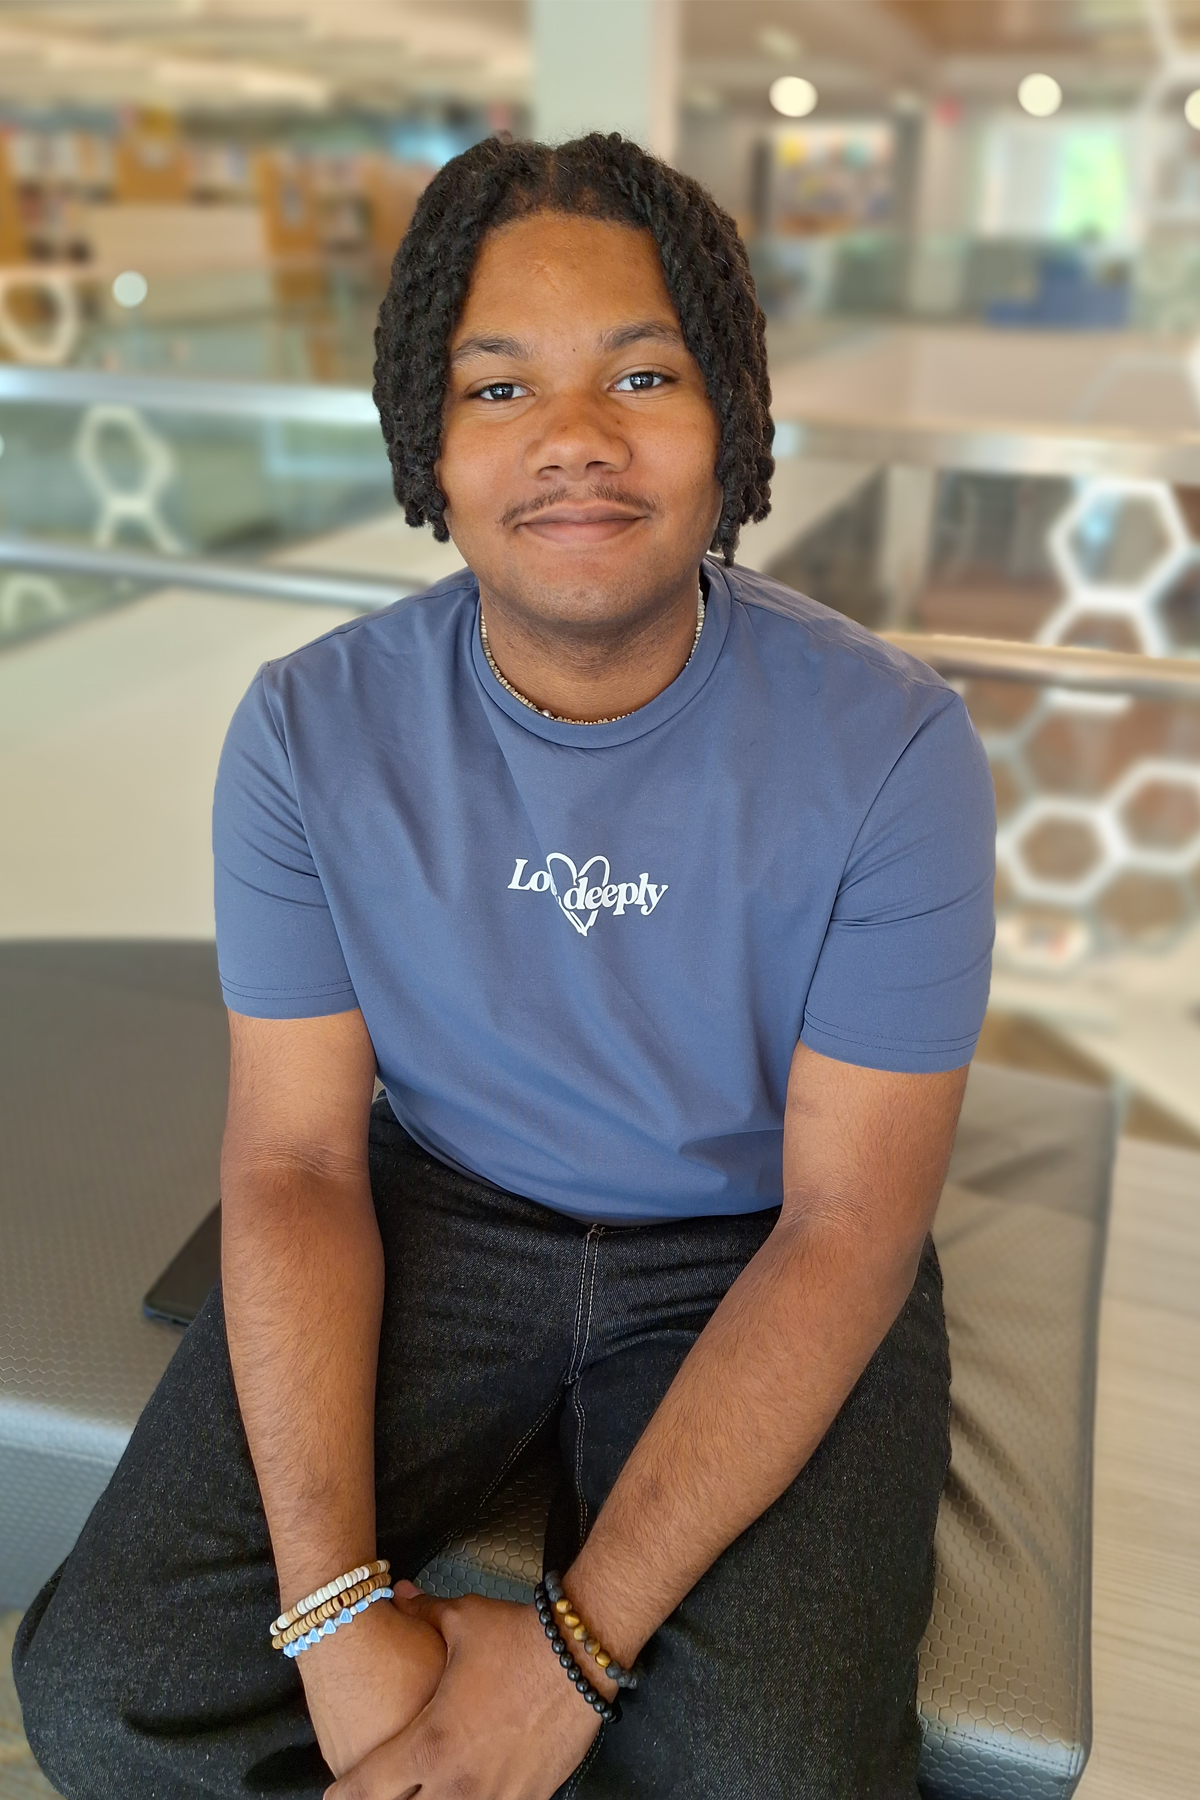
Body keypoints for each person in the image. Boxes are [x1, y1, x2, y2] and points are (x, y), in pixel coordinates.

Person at [13, 133, 994, 1800]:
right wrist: (336, 1619)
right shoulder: (308, 731)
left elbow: (852, 1228)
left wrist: (564, 1658)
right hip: (437, 1197)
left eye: (641, 373)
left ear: (730, 417)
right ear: (430, 443)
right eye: (497, 390)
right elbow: (297, 1155)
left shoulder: (894, 747)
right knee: (110, 1690)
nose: (576, 444)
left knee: (774, 1767)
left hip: (759, 1239)